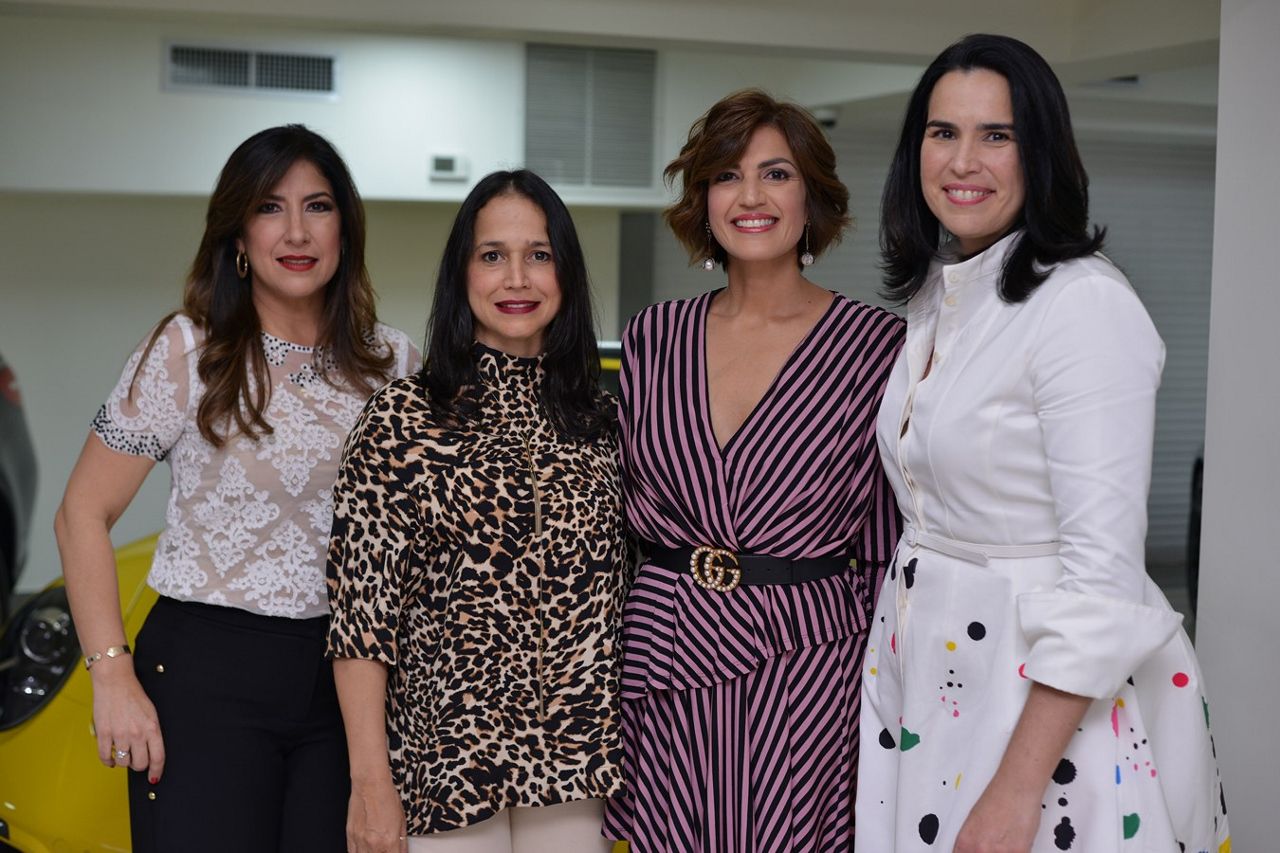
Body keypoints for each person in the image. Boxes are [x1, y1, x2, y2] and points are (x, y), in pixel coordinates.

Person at [855, 34, 1229, 853]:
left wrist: (1018, 789)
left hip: (1038, 710)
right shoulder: (939, 294)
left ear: (1043, 152)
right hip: (935, 675)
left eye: (999, 134)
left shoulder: (1084, 305)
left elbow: (1104, 576)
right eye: (942, 132)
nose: (965, 160)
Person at [54, 125, 420, 852]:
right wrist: (111, 675)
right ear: (237, 236)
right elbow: (81, 513)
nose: (295, 230)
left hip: (346, 686)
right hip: (204, 677)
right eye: (268, 207)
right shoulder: (186, 351)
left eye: (317, 206)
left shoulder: (395, 363)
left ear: (345, 226)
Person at [602, 90, 905, 852]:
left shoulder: (877, 346)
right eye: (728, 176)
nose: (751, 196)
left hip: (807, 668)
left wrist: (885, 696)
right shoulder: (653, 337)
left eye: (776, 173)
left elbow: (883, 542)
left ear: (813, 196)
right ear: (704, 200)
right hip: (665, 654)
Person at [327, 169, 628, 853]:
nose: (516, 277)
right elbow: (361, 623)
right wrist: (370, 777)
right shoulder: (403, 419)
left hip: (577, 761)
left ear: (567, 273)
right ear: (461, 273)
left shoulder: (603, 424)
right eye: (492, 255)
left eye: (539, 254)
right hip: (447, 764)